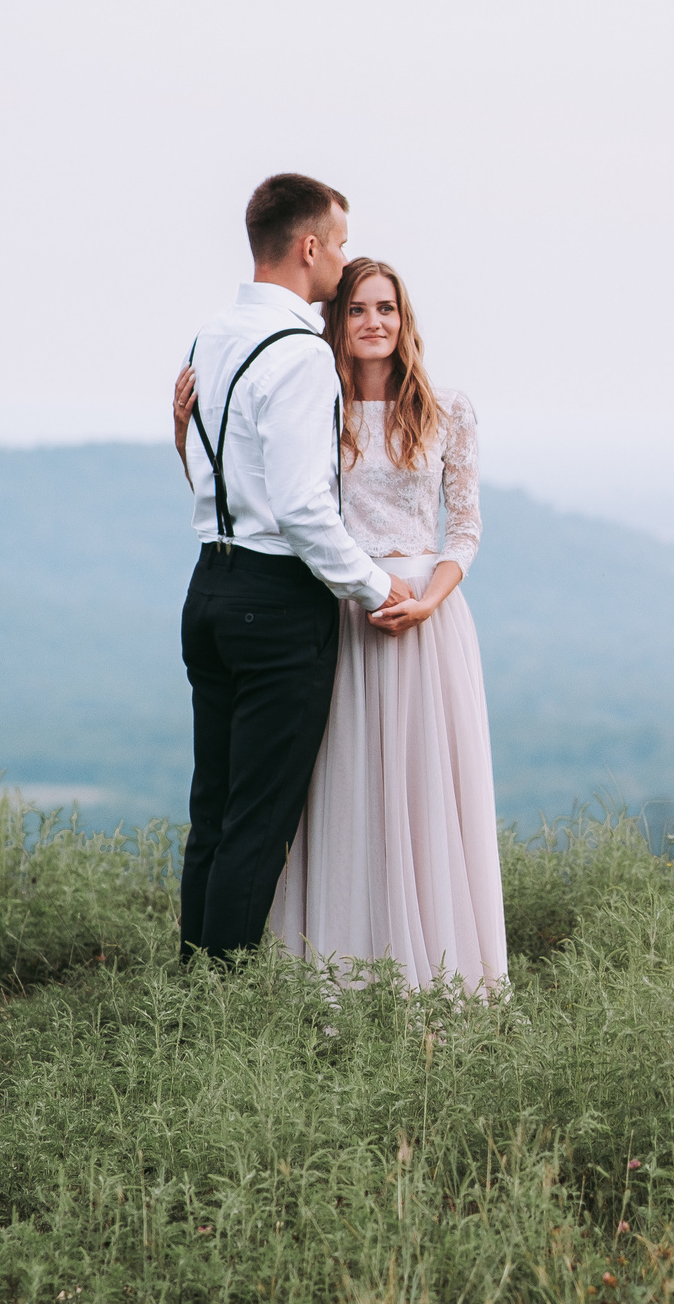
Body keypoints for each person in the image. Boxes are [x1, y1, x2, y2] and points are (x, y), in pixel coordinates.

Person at [177, 257, 507, 994]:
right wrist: (187, 442)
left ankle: (434, 970)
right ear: (337, 319)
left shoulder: (446, 406)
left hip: (423, 621)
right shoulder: (316, 402)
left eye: (387, 308)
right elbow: (262, 501)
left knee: (422, 797)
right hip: (339, 612)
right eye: (358, 309)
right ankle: (337, 974)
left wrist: (428, 600)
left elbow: (466, 530)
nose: (374, 322)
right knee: (342, 793)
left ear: (405, 317)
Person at [176, 175, 407, 963]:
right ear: (309, 247)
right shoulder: (304, 355)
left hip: (208, 586)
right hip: (276, 605)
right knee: (258, 827)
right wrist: (379, 587)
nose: (343, 262)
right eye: (339, 244)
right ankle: (219, 1018)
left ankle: (187, 1001)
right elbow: (306, 509)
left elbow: (217, 474)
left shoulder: (210, 336)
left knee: (213, 814)